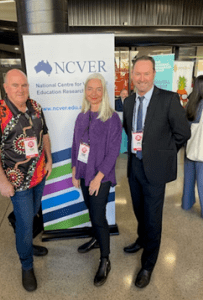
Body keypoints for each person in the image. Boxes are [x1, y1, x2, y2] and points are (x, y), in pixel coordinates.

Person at [123, 56, 191, 288]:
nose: (142, 78)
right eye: (137, 74)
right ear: (133, 76)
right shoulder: (130, 102)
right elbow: (129, 130)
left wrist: (164, 153)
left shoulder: (169, 99)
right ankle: (142, 240)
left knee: (153, 218)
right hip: (135, 167)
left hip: (156, 170)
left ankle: (148, 264)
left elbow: (183, 133)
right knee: (139, 209)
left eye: (146, 73)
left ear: (153, 74)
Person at [0, 69, 52, 292]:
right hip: (17, 181)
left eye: (24, 85)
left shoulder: (35, 106)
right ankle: (26, 265)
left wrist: (49, 159)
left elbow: (46, 134)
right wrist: (2, 181)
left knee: (30, 216)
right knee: (25, 224)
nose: (20, 89)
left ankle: (25, 241)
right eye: (15, 85)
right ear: (5, 87)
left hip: (39, 174)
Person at [71, 73, 122, 287]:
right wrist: (75, 171)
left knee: (99, 216)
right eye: (89, 89)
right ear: (85, 91)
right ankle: (95, 238)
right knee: (91, 210)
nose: (93, 93)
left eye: (98, 89)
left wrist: (98, 178)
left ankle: (105, 259)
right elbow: (75, 145)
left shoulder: (112, 118)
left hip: (101, 175)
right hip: (83, 172)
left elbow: (113, 152)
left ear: (104, 91)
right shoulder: (82, 116)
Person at [182, 75, 203, 217]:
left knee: (188, 178)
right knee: (202, 182)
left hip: (190, 148)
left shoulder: (190, 105)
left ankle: (187, 203)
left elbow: (185, 128)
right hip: (202, 152)